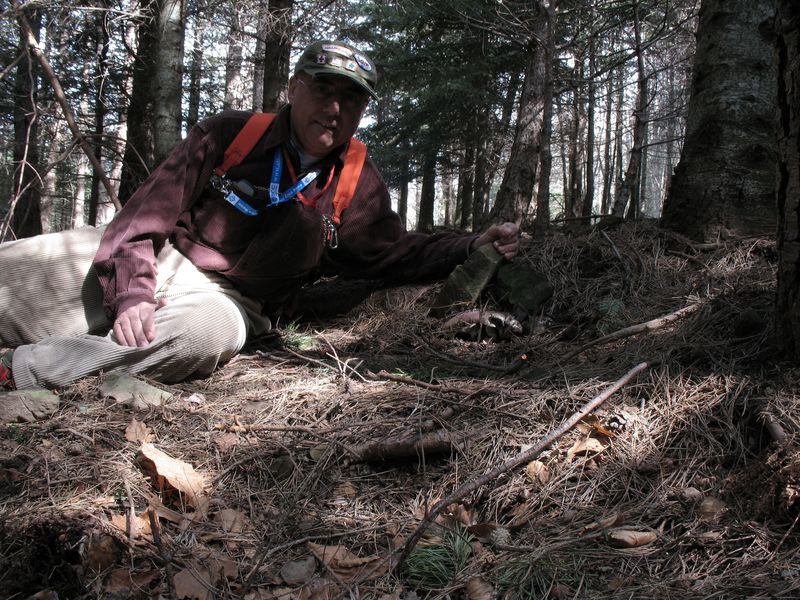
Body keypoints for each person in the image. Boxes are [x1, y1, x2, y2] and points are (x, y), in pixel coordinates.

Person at [0, 40, 518, 392]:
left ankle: (20, 369)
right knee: (12, 274)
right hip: (161, 256)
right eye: (323, 90)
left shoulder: (357, 179)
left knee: (204, 334)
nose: (334, 109)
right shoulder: (231, 134)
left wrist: (471, 245)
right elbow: (143, 217)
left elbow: (394, 253)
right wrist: (134, 291)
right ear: (294, 88)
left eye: (351, 100)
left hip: (231, 301)